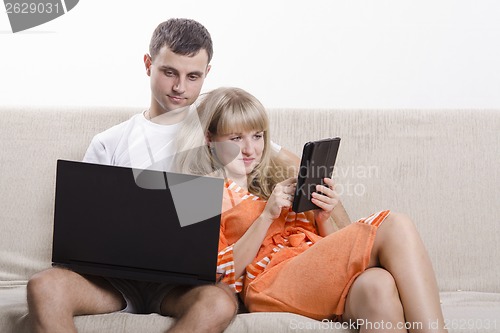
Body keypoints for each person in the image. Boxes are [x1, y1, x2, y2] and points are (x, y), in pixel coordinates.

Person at [27, 18, 244, 333]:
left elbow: (274, 157)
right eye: (169, 72)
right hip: (112, 283)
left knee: (221, 302)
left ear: (206, 74)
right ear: (148, 64)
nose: (180, 87)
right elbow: (83, 232)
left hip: (179, 288)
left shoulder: (223, 137)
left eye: (193, 76)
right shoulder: (111, 141)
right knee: (43, 285)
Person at [175, 87, 448, 333]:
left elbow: (321, 254)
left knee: (378, 285)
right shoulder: (200, 192)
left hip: (308, 275)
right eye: (236, 138)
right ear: (210, 138)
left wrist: (323, 219)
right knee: (395, 224)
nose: (250, 149)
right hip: (269, 283)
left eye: (257, 136)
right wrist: (266, 217)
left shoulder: (275, 179)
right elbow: (219, 273)